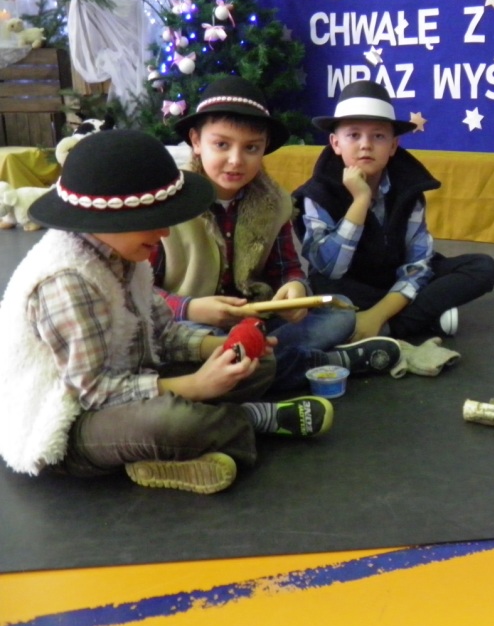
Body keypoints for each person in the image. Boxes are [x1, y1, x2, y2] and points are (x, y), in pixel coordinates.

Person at [0, 130, 334, 495]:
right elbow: (93, 393)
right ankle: (246, 419)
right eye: (152, 220)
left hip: (132, 379)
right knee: (173, 423)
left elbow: (163, 331)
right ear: (106, 220)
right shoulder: (67, 282)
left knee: (259, 364)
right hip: (71, 420)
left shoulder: (125, 253)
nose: (163, 232)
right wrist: (196, 386)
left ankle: (187, 448)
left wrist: (218, 349)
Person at [151, 76, 402, 394]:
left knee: (339, 311)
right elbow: (141, 294)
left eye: (251, 148)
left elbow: (288, 269)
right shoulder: (168, 204)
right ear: (196, 142)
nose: (236, 160)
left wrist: (295, 288)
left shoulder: (274, 203)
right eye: (222, 145)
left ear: (264, 149)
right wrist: (191, 308)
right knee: (186, 347)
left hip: (258, 320)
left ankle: (258, 364)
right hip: (190, 326)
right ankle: (318, 363)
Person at [293, 80, 494, 341]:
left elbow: (417, 264)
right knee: (326, 289)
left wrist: (378, 315)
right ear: (335, 143)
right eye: (354, 135)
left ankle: (384, 325)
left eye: (378, 136)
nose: (366, 145)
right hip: (351, 282)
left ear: (393, 146)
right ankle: (423, 315)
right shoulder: (317, 193)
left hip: (394, 274)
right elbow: (331, 268)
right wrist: (360, 201)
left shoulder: (408, 187)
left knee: (482, 267)